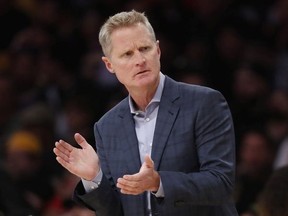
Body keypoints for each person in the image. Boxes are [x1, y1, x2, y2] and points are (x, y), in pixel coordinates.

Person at [53, 10, 238, 216]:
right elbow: (115, 211)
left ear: (158, 51)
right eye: (127, 54)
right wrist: (94, 178)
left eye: (145, 48)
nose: (139, 59)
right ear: (109, 65)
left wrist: (159, 182)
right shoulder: (107, 127)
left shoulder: (204, 102)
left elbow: (222, 182)